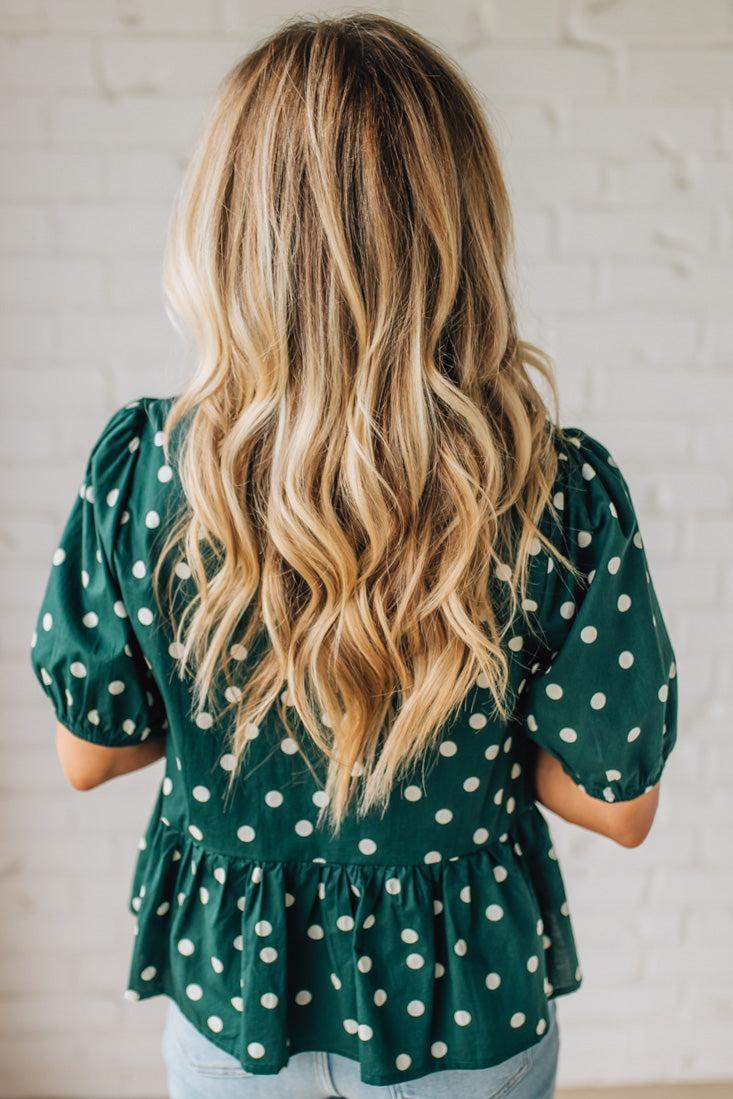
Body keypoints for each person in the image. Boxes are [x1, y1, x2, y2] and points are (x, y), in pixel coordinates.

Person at [29, 12, 678, 1099]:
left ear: (228, 226)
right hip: (464, 1010)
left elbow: (91, 752)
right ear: (462, 228)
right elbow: (620, 805)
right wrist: (444, 762)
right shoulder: (554, 491)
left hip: (238, 1008)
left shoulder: (144, 474)